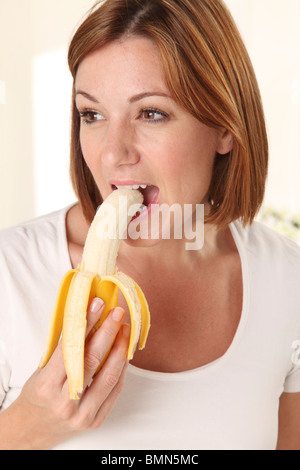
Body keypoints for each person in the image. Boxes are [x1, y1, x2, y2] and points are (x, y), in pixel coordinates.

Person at [0, 0, 300, 450]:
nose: (112, 153)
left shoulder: (287, 281)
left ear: (224, 127)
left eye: (151, 113)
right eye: (92, 114)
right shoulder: (10, 275)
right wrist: (28, 427)